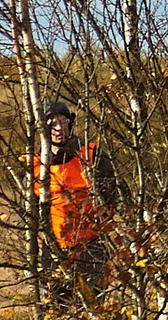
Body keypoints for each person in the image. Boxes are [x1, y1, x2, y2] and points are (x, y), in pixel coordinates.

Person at [35, 101, 116, 296]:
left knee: (94, 306)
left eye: (63, 122)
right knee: (55, 308)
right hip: (55, 249)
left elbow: (113, 196)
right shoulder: (36, 165)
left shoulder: (91, 154)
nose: (59, 128)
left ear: (71, 123)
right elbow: (30, 212)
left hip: (92, 246)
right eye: (52, 124)